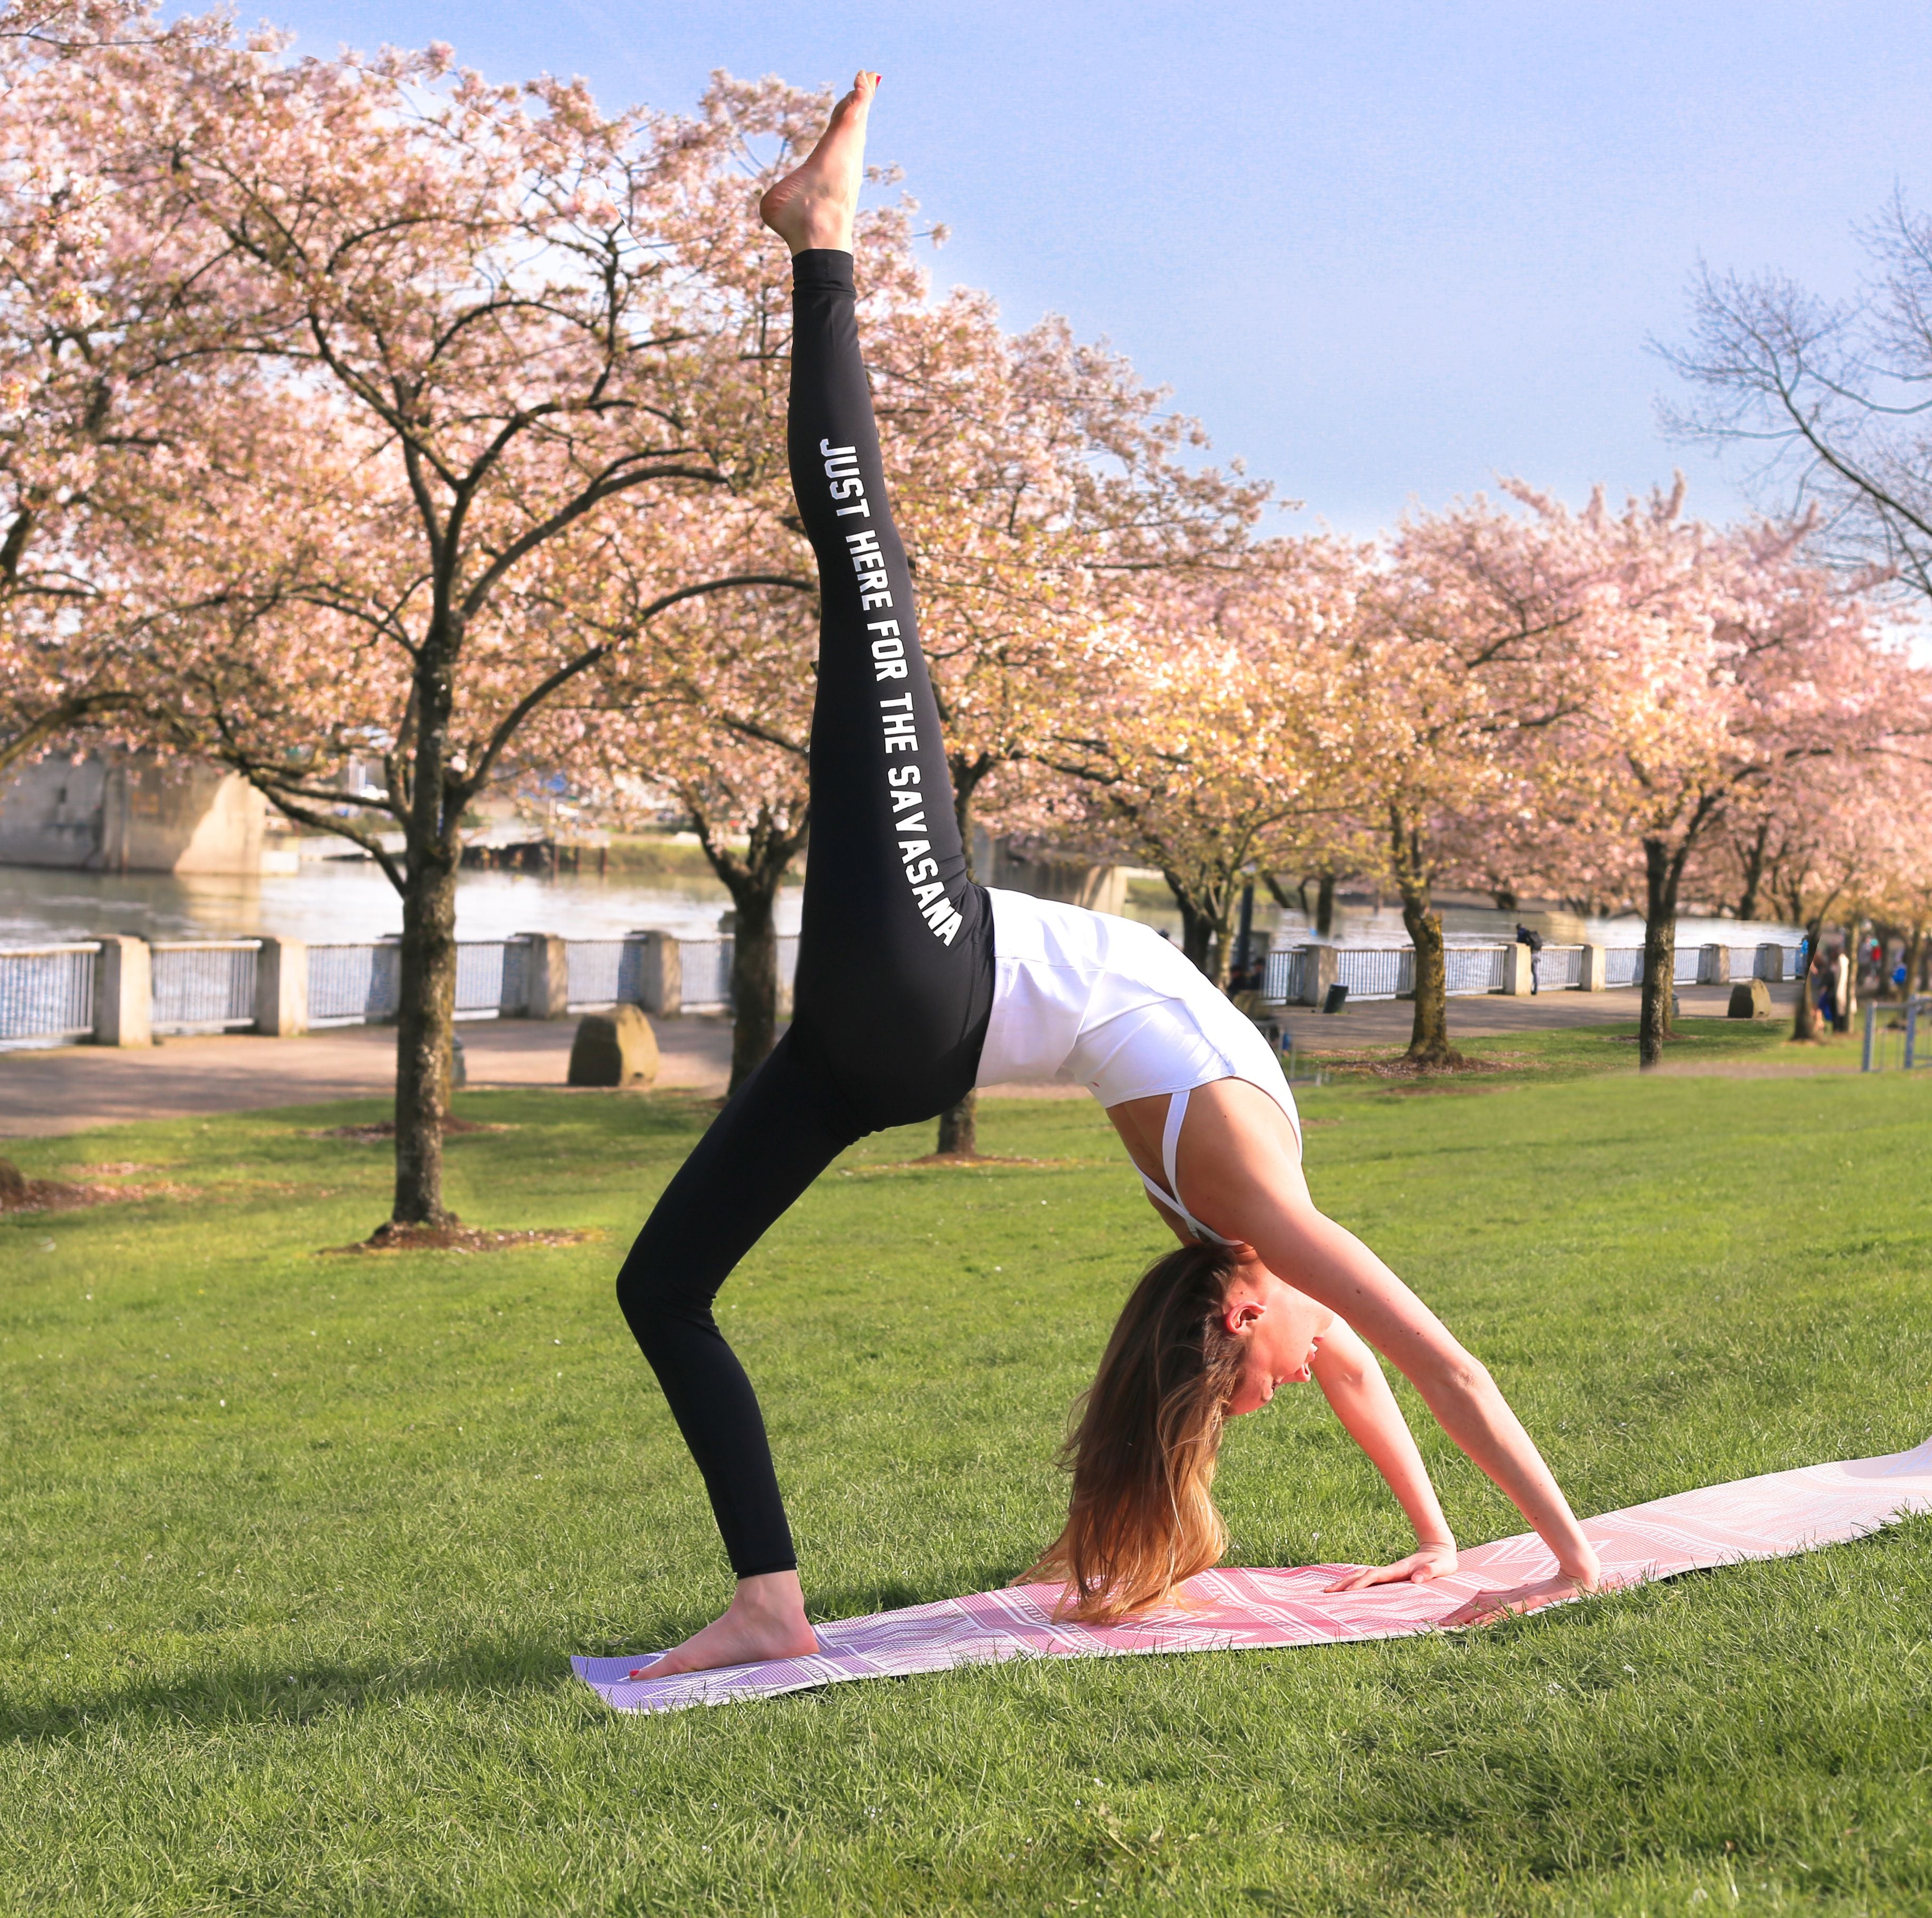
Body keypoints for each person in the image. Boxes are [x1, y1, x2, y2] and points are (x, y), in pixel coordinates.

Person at [613, 74, 1601, 1677]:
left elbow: (1370, 1361)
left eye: (1257, 1386)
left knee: (875, 586)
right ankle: (768, 1599)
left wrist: (1488, 1551)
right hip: (914, 1001)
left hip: (926, 983)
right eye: (1267, 1373)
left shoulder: (1237, 1211)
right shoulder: (1246, 1205)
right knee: (664, 1285)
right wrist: (1540, 1557)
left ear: (1223, 1308)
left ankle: (826, 244)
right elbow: (1420, 1359)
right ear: (1239, 1309)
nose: (1294, 1376)